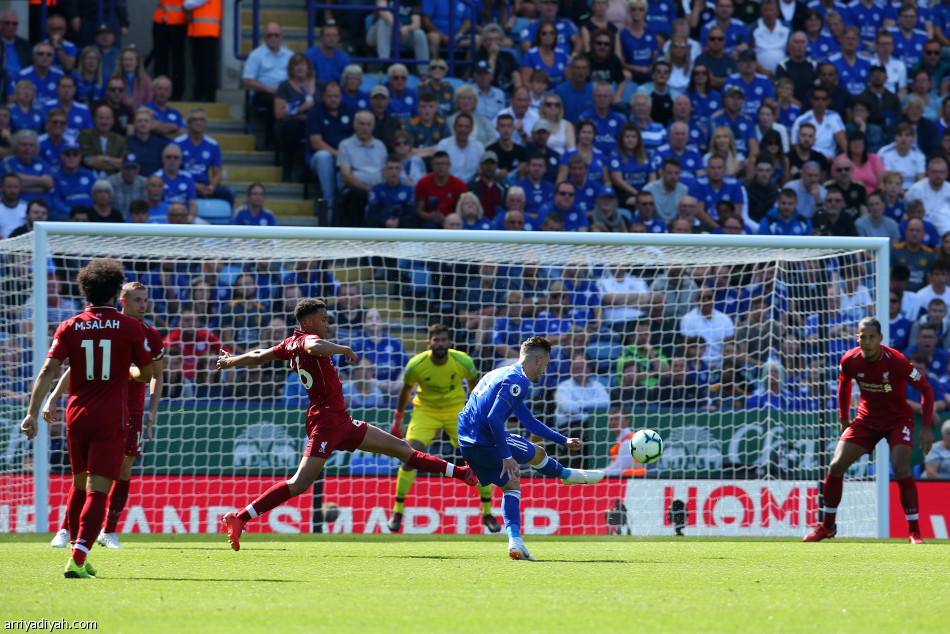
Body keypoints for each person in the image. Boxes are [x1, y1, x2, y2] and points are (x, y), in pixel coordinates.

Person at [218, 299, 479, 550]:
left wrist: (232, 361)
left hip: (342, 421)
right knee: (299, 483)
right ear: (308, 322)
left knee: (401, 448)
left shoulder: (289, 344)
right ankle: (240, 517)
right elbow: (312, 347)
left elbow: (259, 355)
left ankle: (463, 473)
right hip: (326, 423)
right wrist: (343, 349)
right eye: (323, 319)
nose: (328, 323)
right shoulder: (308, 341)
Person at [20, 259, 153, 578]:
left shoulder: (70, 325)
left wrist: (31, 413)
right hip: (110, 418)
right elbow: (147, 373)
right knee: (98, 491)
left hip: (76, 417)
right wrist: (129, 370)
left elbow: (48, 370)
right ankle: (78, 558)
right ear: (114, 294)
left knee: (79, 484)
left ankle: (75, 547)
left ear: (86, 291)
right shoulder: (131, 327)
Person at [457, 336, 604, 561]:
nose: (544, 371)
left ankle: (515, 543)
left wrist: (563, 440)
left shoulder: (499, 373)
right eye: (545, 365)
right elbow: (494, 418)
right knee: (539, 453)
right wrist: (506, 455)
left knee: (511, 486)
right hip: (486, 441)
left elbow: (530, 422)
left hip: (467, 441)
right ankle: (568, 475)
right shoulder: (519, 381)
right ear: (538, 360)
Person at [46, 281, 164, 550]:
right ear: (121, 300)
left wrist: (151, 410)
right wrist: (53, 397)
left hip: (131, 410)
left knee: (124, 470)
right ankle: (67, 528)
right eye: (137, 300)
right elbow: (75, 367)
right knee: (84, 475)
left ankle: (108, 532)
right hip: (99, 408)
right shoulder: (103, 324)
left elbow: (157, 374)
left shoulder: (151, 334)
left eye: (145, 300)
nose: (143, 305)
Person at [804, 317, 935, 545]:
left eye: (871, 337)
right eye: (862, 337)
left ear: (880, 339)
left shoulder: (896, 361)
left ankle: (914, 532)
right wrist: (844, 419)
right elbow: (843, 386)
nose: (866, 341)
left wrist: (926, 427)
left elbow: (926, 388)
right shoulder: (850, 360)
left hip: (897, 420)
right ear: (858, 338)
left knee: (901, 467)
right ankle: (827, 527)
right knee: (836, 465)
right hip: (866, 419)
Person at [386, 324, 497, 533]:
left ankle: (488, 513)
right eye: (436, 340)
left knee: (480, 457)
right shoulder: (416, 364)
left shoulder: (462, 360)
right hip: (425, 411)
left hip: (456, 411)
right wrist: (398, 417)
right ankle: (397, 510)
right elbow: (405, 390)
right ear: (429, 343)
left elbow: (476, 386)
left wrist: (477, 416)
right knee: (408, 454)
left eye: (443, 339)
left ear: (449, 342)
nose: (439, 344)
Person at [153, 0, 189, 102]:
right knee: (160, 57)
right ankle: (158, 92)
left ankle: (176, 94)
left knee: (177, 59)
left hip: (178, 19)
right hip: (160, 17)